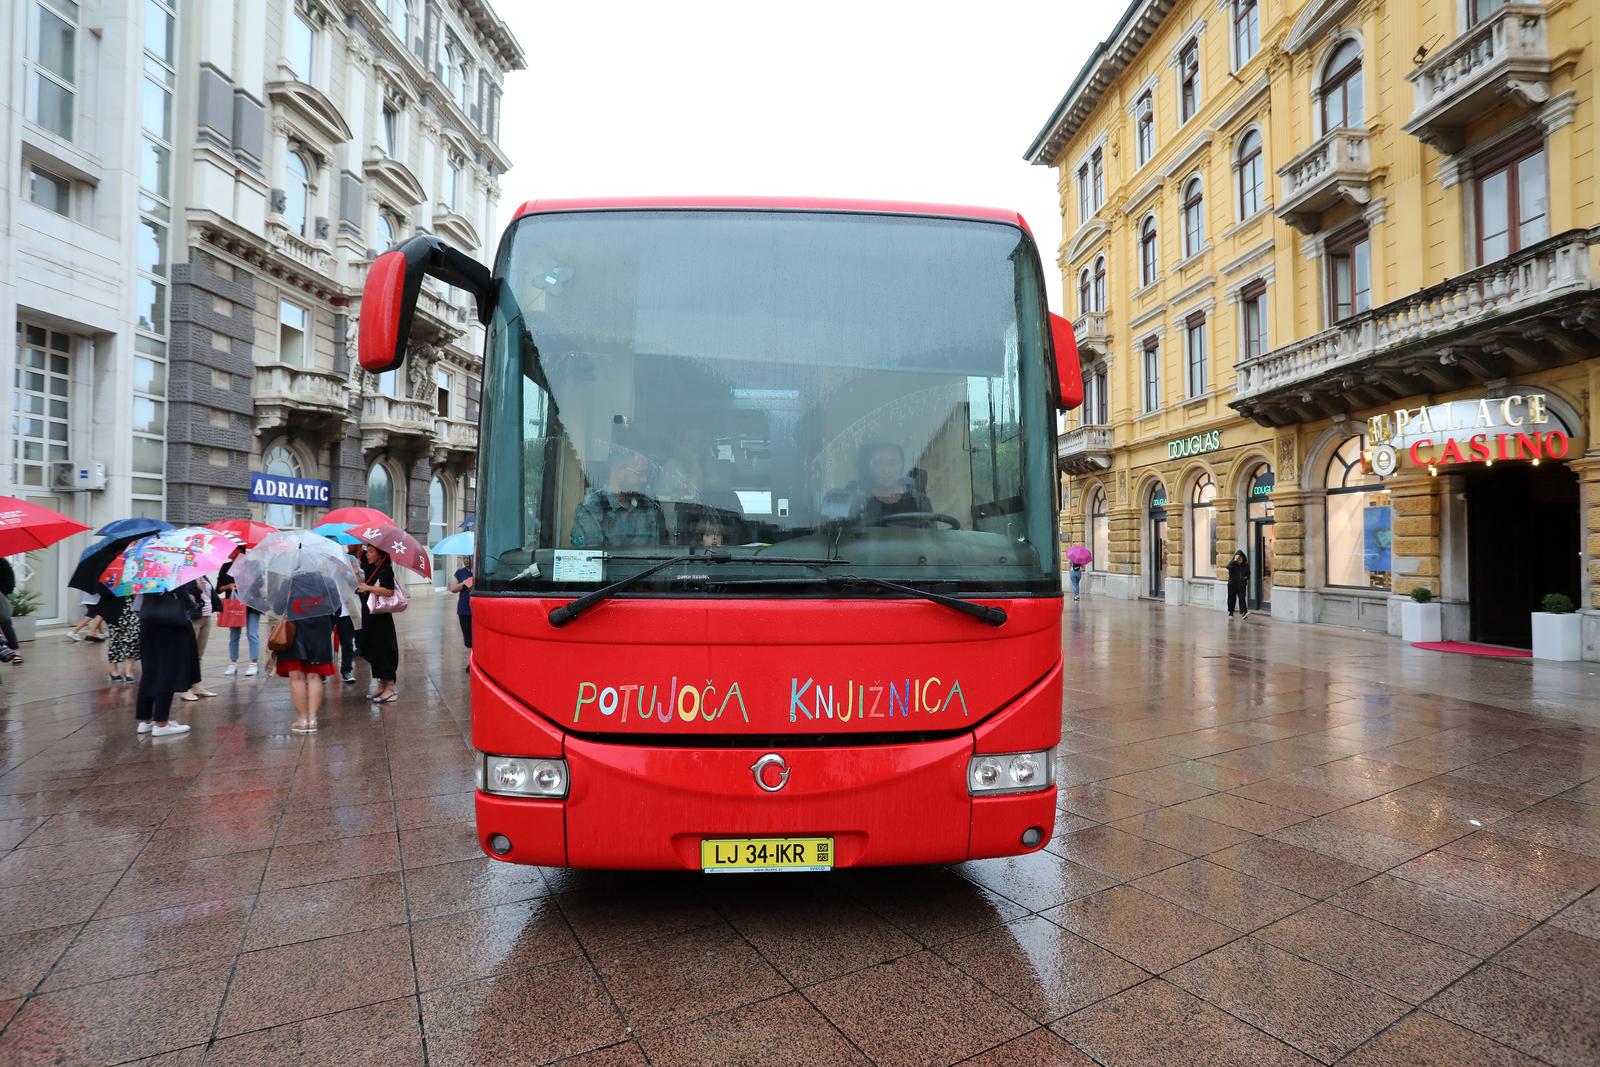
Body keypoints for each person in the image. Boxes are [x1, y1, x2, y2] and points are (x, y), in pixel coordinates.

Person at [571, 444, 668, 548]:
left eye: (647, 475)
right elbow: (591, 559)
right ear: (618, 469)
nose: (644, 480)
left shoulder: (650, 508)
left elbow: (661, 554)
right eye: (640, 473)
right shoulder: (592, 508)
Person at [133, 587, 197, 737]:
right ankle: (162, 723)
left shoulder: (144, 578)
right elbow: (187, 603)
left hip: (147, 627)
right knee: (166, 673)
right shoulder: (172, 577)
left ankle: (145, 720)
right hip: (170, 628)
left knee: (149, 673)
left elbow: (136, 607)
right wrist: (193, 598)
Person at [276, 606, 335, 733]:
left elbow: (277, 607)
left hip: (294, 625)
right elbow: (335, 605)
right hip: (320, 625)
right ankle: (313, 719)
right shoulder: (327, 584)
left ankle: (302, 720)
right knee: (314, 675)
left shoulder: (288, 585)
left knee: (296, 676)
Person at [356, 544, 400, 703]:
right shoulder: (373, 568)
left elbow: (389, 591)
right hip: (370, 616)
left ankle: (390, 688)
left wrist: (368, 587)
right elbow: (366, 588)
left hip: (381, 618)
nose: (368, 554)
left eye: (371, 551)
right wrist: (359, 578)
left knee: (384, 650)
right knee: (374, 649)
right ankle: (382, 684)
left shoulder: (386, 569)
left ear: (380, 554)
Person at [856, 443, 931, 526]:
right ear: (871, 468)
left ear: (902, 467)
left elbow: (931, 536)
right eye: (879, 463)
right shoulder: (860, 503)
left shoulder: (921, 502)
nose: (886, 470)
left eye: (892, 463)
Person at [217, 548, 260, 676]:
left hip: (251, 603)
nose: (228, 552)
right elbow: (218, 588)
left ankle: (253, 663)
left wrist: (245, 578)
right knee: (234, 635)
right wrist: (229, 586)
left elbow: (260, 583)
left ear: (239, 550)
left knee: (252, 634)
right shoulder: (226, 566)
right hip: (234, 605)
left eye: (231, 549)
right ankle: (233, 663)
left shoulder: (253, 564)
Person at [180, 575, 219, 702]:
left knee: (198, 655)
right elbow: (184, 596)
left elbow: (210, 594)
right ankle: (185, 688)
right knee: (187, 654)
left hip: (206, 616)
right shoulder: (185, 577)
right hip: (194, 617)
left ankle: (196, 684)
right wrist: (197, 589)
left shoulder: (202, 576)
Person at [103, 588, 140, 685]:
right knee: (115, 640)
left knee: (133, 638)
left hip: (132, 609)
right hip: (114, 610)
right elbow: (104, 593)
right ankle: (113, 671)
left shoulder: (134, 575)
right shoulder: (110, 576)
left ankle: (128, 672)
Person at [449, 560, 473, 666]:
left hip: (479, 609)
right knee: (468, 638)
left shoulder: (480, 570)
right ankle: (471, 662)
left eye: (469, 558)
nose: (466, 560)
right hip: (464, 610)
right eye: (464, 558)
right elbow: (453, 588)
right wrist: (466, 583)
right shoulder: (459, 572)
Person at [0, 557, 21, 665]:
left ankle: (16, 652)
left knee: (6, 624)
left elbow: (10, 585)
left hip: (0, 599)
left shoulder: (2, 563)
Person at [1227, 550, 1250, 618]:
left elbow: (1248, 574)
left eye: (1241, 558)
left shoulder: (1246, 565)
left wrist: (1245, 578)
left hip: (1241, 585)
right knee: (1231, 599)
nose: (1240, 560)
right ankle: (1231, 612)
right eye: (1238, 558)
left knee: (1242, 598)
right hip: (1232, 585)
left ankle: (1244, 612)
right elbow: (1228, 567)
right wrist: (1234, 561)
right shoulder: (1233, 564)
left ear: (1243, 558)